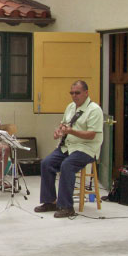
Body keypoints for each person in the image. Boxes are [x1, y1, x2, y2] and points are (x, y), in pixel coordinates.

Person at [35, 80, 103, 218]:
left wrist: (71, 132)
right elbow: (64, 124)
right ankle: (50, 201)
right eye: (71, 93)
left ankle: (66, 207)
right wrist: (58, 131)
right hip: (68, 147)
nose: (74, 95)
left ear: (86, 93)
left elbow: (92, 135)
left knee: (67, 165)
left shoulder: (94, 110)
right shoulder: (70, 107)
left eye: (77, 93)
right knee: (46, 163)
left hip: (86, 148)